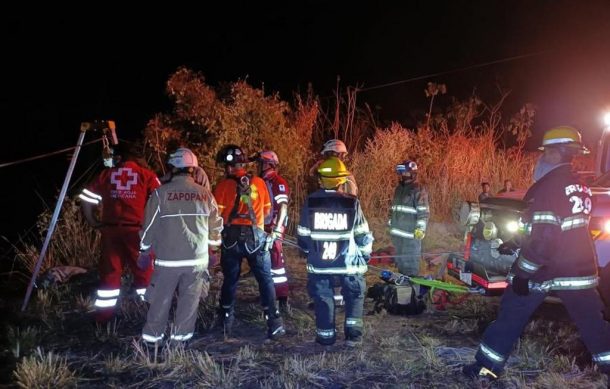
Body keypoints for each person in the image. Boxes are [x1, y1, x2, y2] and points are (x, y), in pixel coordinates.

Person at [462, 126, 610, 381]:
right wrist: (515, 241)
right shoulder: (580, 187)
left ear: (554, 153)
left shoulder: (546, 189)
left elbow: (545, 239)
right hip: (579, 270)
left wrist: (522, 273)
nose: (540, 159)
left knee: (511, 313)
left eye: (544, 153)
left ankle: (485, 368)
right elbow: (554, 229)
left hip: (544, 269)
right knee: (593, 324)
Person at [138, 148, 223, 347]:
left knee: (160, 301)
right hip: (197, 260)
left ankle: (152, 341)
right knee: (189, 304)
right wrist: (213, 251)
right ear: (193, 169)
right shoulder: (205, 195)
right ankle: (180, 342)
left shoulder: (161, 194)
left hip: (168, 260)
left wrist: (144, 251)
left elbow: (148, 227)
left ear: (173, 168)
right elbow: (216, 227)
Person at [79, 142, 161, 323]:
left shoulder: (106, 175)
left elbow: (85, 199)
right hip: (137, 232)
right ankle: (147, 312)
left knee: (109, 274)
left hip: (110, 231)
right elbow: (161, 200)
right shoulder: (146, 175)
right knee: (144, 271)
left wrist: (93, 221)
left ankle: (104, 317)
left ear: (120, 157)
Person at [297, 157, 373, 346]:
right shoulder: (352, 203)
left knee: (323, 298)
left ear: (322, 180)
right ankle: (353, 337)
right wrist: (365, 255)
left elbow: (304, 234)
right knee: (354, 295)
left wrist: (307, 252)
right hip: (348, 265)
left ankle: (326, 337)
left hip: (320, 264)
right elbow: (362, 234)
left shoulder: (311, 201)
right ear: (342, 180)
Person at [213, 144, 286, 339]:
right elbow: (269, 211)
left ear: (228, 166)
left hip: (231, 239)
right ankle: (274, 322)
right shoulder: (260, 183)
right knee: (265, 279)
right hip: (256, 237)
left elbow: (215, 216)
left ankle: (225, 320)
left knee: (230, 279)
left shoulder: (222, 186)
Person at [255, 150, 291, 312]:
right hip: (263, 228)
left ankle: (281, 297)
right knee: (264, 263)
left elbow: (283, 206)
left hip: (273, 228)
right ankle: (268, 293)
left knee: (277, 264)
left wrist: (276, 230)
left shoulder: (278, 182)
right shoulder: (260, 182)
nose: (258, 166)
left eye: (261, 163)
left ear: (269, 164)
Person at [388, 160, 430, 277]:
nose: (402, 176)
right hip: (398, 236)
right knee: (400, 264)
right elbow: (393, 210)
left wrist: (420, 229)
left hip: (411, 236)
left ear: (412, 174)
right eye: (401, 173)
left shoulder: (418, 190)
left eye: (404, 173)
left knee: (410, 266)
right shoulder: (399, 189)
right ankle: (402, 289)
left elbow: (423, 213)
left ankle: (412, 290)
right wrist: (390, 225)